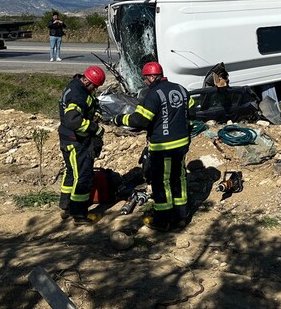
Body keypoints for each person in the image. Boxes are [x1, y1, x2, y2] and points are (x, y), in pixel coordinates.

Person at [112, 62, 193, 231]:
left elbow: (140, 120)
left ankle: (163, 221)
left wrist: (119, 119)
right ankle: (182, 216)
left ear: (151, 77)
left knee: (161, 182)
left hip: (162, 146)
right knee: (179, 178)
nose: (145, 82)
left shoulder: (153, 94)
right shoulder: (181, 89)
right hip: (182, 143)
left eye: (145, 79)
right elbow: (191, 111)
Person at [58, 65, 106, 224]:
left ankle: (65, 207)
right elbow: (73, 120)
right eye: (95, 87)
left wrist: (95, 112)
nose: (95, 90)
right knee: (83, 176)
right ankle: (79, 215)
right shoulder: (79, 95)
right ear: (88, 82)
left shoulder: (74, 85)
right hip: (77, 141)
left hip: (66, 138)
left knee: (71, 172)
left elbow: (90, 102)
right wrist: (95, 128)